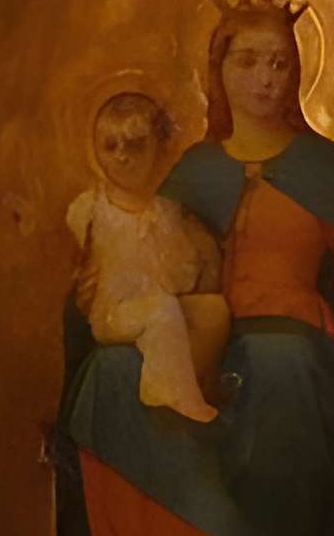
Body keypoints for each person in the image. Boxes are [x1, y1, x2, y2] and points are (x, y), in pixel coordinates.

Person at [53, 0, 334, 536]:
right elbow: (142, 251)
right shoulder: (194, 170)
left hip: (298, 339)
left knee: (279, 363)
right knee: (111, 377)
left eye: (278, 62)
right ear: (217, 70)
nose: (265, 79)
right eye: (246, 61)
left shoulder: (321, 165)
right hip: (206, 342)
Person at [68, 91, 228, 425]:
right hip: (113, 314)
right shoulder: (90, 210)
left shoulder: (167, 211)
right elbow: (76, 276)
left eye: (135, 145)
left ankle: (201, 387)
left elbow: (184, 274)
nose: (122, 157)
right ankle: (168, 392)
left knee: (213, 311)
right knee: (161, 309)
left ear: (159, 148)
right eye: (110, 147)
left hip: (157, 305)